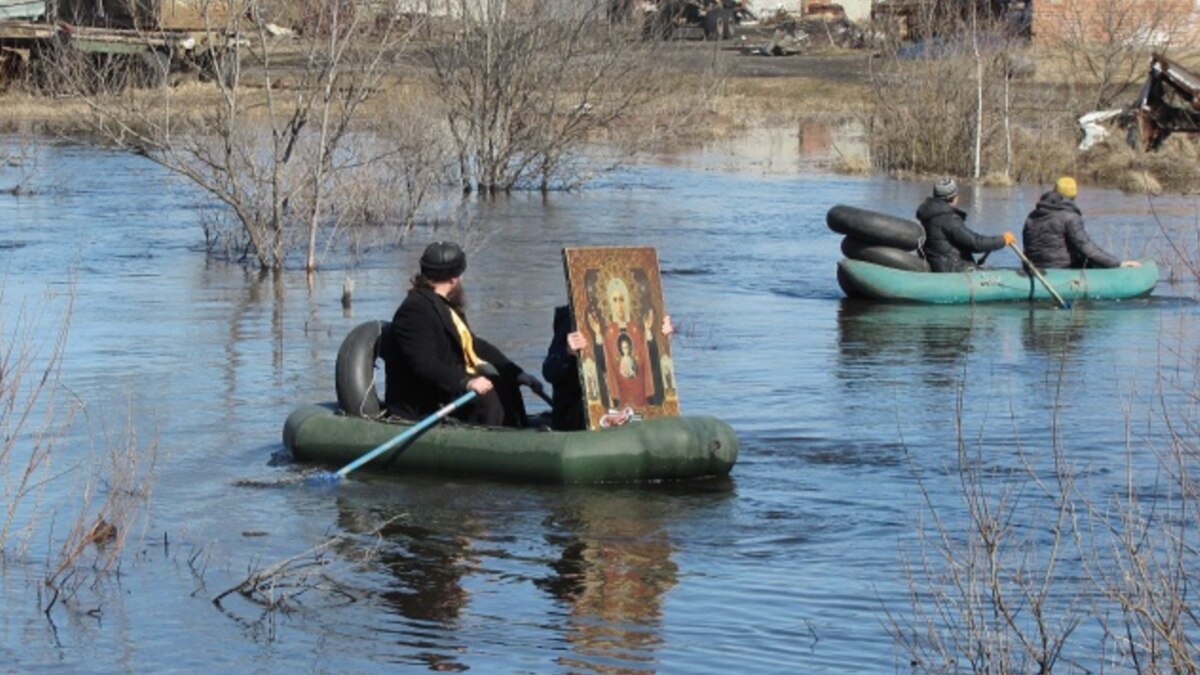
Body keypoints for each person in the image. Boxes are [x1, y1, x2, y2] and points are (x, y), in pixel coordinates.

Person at [383, 241, 542, 428]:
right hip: (424, 400)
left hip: (449, 385)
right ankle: (494, 446)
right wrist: (465, 382)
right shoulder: (414, 311)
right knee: (488, 398)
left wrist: (515, 373)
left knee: (505, 384)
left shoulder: (447, 305)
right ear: (454, 278)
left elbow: (473, 345)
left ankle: (518, 435)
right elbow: (423, 363)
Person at [542, 302, 675, 432]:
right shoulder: (574, 320)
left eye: (622, 300)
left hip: (635, 413)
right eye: (615, 300)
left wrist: (660, 338)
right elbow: (549, 371)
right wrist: (568, 352)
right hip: (579, 419)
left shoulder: (640, 319)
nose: (619, 305)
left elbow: (647, 368)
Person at [1022, 176, 1142, 270]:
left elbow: (1027, 245)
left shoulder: (1033, 214)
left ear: (1054, 191)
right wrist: (1117, 263)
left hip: (1034, 268)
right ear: (1074, 196)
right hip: (1062, 269)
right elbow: (1087, 248)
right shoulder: (1070, 217)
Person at [916, 178, 1016, 273]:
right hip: (954, 269)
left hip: (939, 265)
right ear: (954, 197)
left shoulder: (927, 215)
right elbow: (976, 243)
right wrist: (1003, 240)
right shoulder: (948, 220)